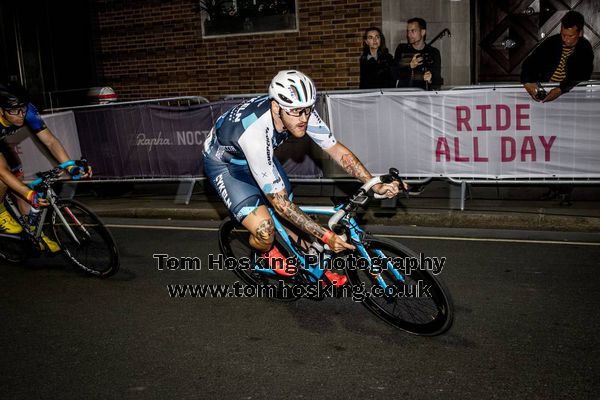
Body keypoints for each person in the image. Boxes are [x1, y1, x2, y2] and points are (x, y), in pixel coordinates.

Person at [203, 70, 401, 286]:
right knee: (266, 228)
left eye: (308, 110)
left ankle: (311, 265)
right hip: (226, 165)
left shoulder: (299, 109)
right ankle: (264, 253)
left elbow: (336, 150)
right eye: (297, 112)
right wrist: (326, 236)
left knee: (292, 215)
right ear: (277, 107)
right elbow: (281, 206)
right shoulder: (255, 135)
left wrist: (373, 183)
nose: (304, 118)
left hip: (257, 158)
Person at [0, 82, 92, 252]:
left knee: (18, 180)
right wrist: (30, 194)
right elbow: (2, 172)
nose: (21, 115)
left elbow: (50, 141)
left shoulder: (27, 111)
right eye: (14, 111)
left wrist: (70, 165)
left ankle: (35, 233)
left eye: (23, 108)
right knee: (6, 180)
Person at [520, 10, 594, 103]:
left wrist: (561, 89)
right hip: (546, 90)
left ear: (580, 33)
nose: (565, 39)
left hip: (570, 95)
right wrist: (527, 82)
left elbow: (582, 74)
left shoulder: (585, 48)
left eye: (570, 36)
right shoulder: (551, 42)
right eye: (563, 35)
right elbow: (530, 63)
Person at [392, 17, 443, 90]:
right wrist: (410, 66)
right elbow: (394, 73)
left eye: (413, 31)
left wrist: (430, 79)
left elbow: (437, 78)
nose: (409, 34)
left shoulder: (433, 52)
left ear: (422, 32)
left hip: (424, 95)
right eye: (408, 31)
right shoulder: (402, 49)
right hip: (405, 95)